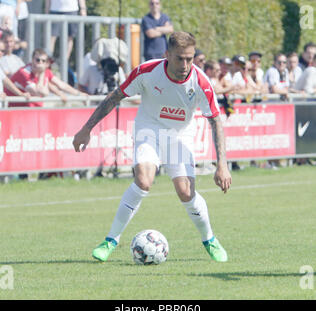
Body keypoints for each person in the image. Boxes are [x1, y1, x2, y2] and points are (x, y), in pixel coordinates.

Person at [73, 31, 232, 263]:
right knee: (144, 180)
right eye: (180, 58)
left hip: (180, 136)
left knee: (186, 192)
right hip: (149, 130)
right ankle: (110, 240)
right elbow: (115, 97)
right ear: (167, 54)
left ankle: (209, 240)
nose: (185, 64)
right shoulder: (147, 72)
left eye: (190, 58)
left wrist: (223, 165)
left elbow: (215, 120)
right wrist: (86, 128)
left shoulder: (201, 82)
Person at [5, 48, 86, 107]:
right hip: (15, 109)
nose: (40, 63)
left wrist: (79, 94)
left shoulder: (46, 71)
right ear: (32, 60)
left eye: (43, 61)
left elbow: (61, 85)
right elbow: (40, 92)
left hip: (32, 109)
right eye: (37, 60)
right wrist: (42, 73)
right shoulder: (24, 72)